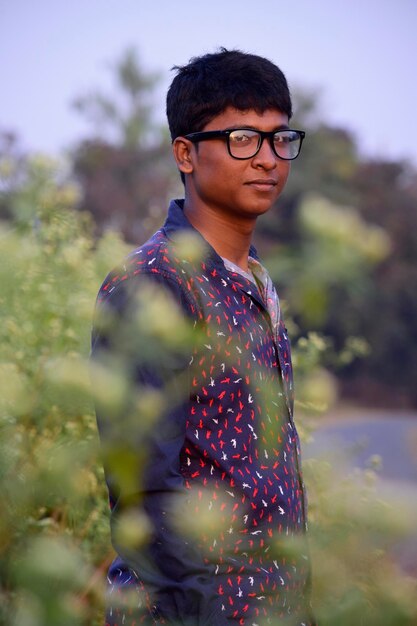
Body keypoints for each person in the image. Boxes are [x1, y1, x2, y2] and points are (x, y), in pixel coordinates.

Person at [92, 48, 315, 626]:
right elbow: (146, 490)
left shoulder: (254, 279)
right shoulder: (153, 284)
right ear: (185, 153)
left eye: (279, 138)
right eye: (242, 138)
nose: (266, 158)